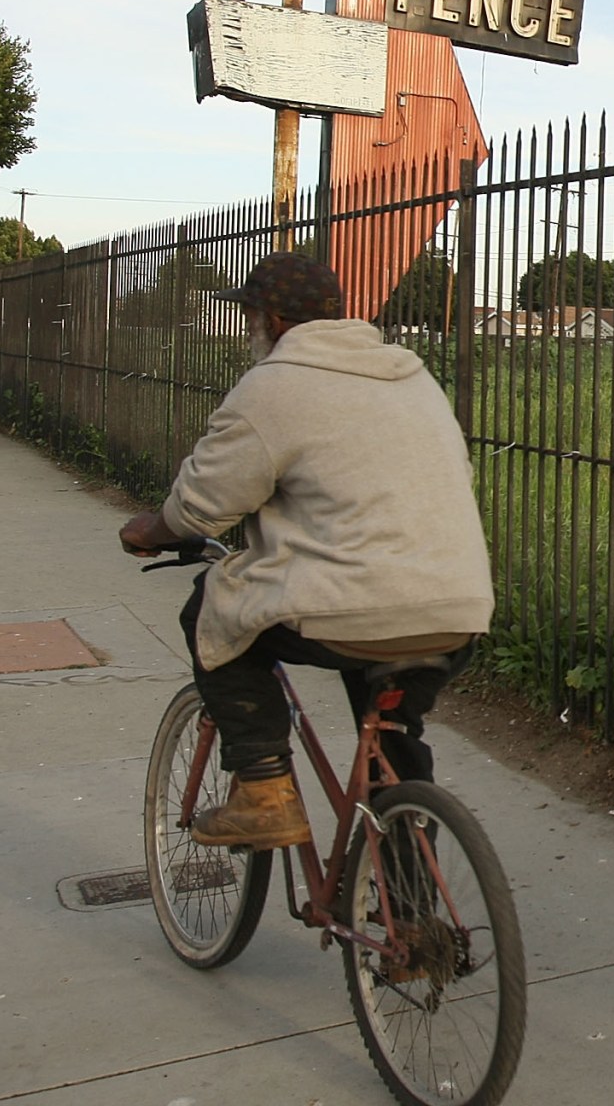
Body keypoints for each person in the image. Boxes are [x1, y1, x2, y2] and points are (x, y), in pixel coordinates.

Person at [119, 252, 495, 848]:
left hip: (350, 609)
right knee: (391, 742)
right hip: (457, 608)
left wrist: (149, 529)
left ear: (269, 319)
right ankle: (412, 906)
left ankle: (265, 788)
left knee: (208, 611)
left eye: (251, 320)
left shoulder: (273, 385)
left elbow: (200, 507)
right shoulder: (409, 373)